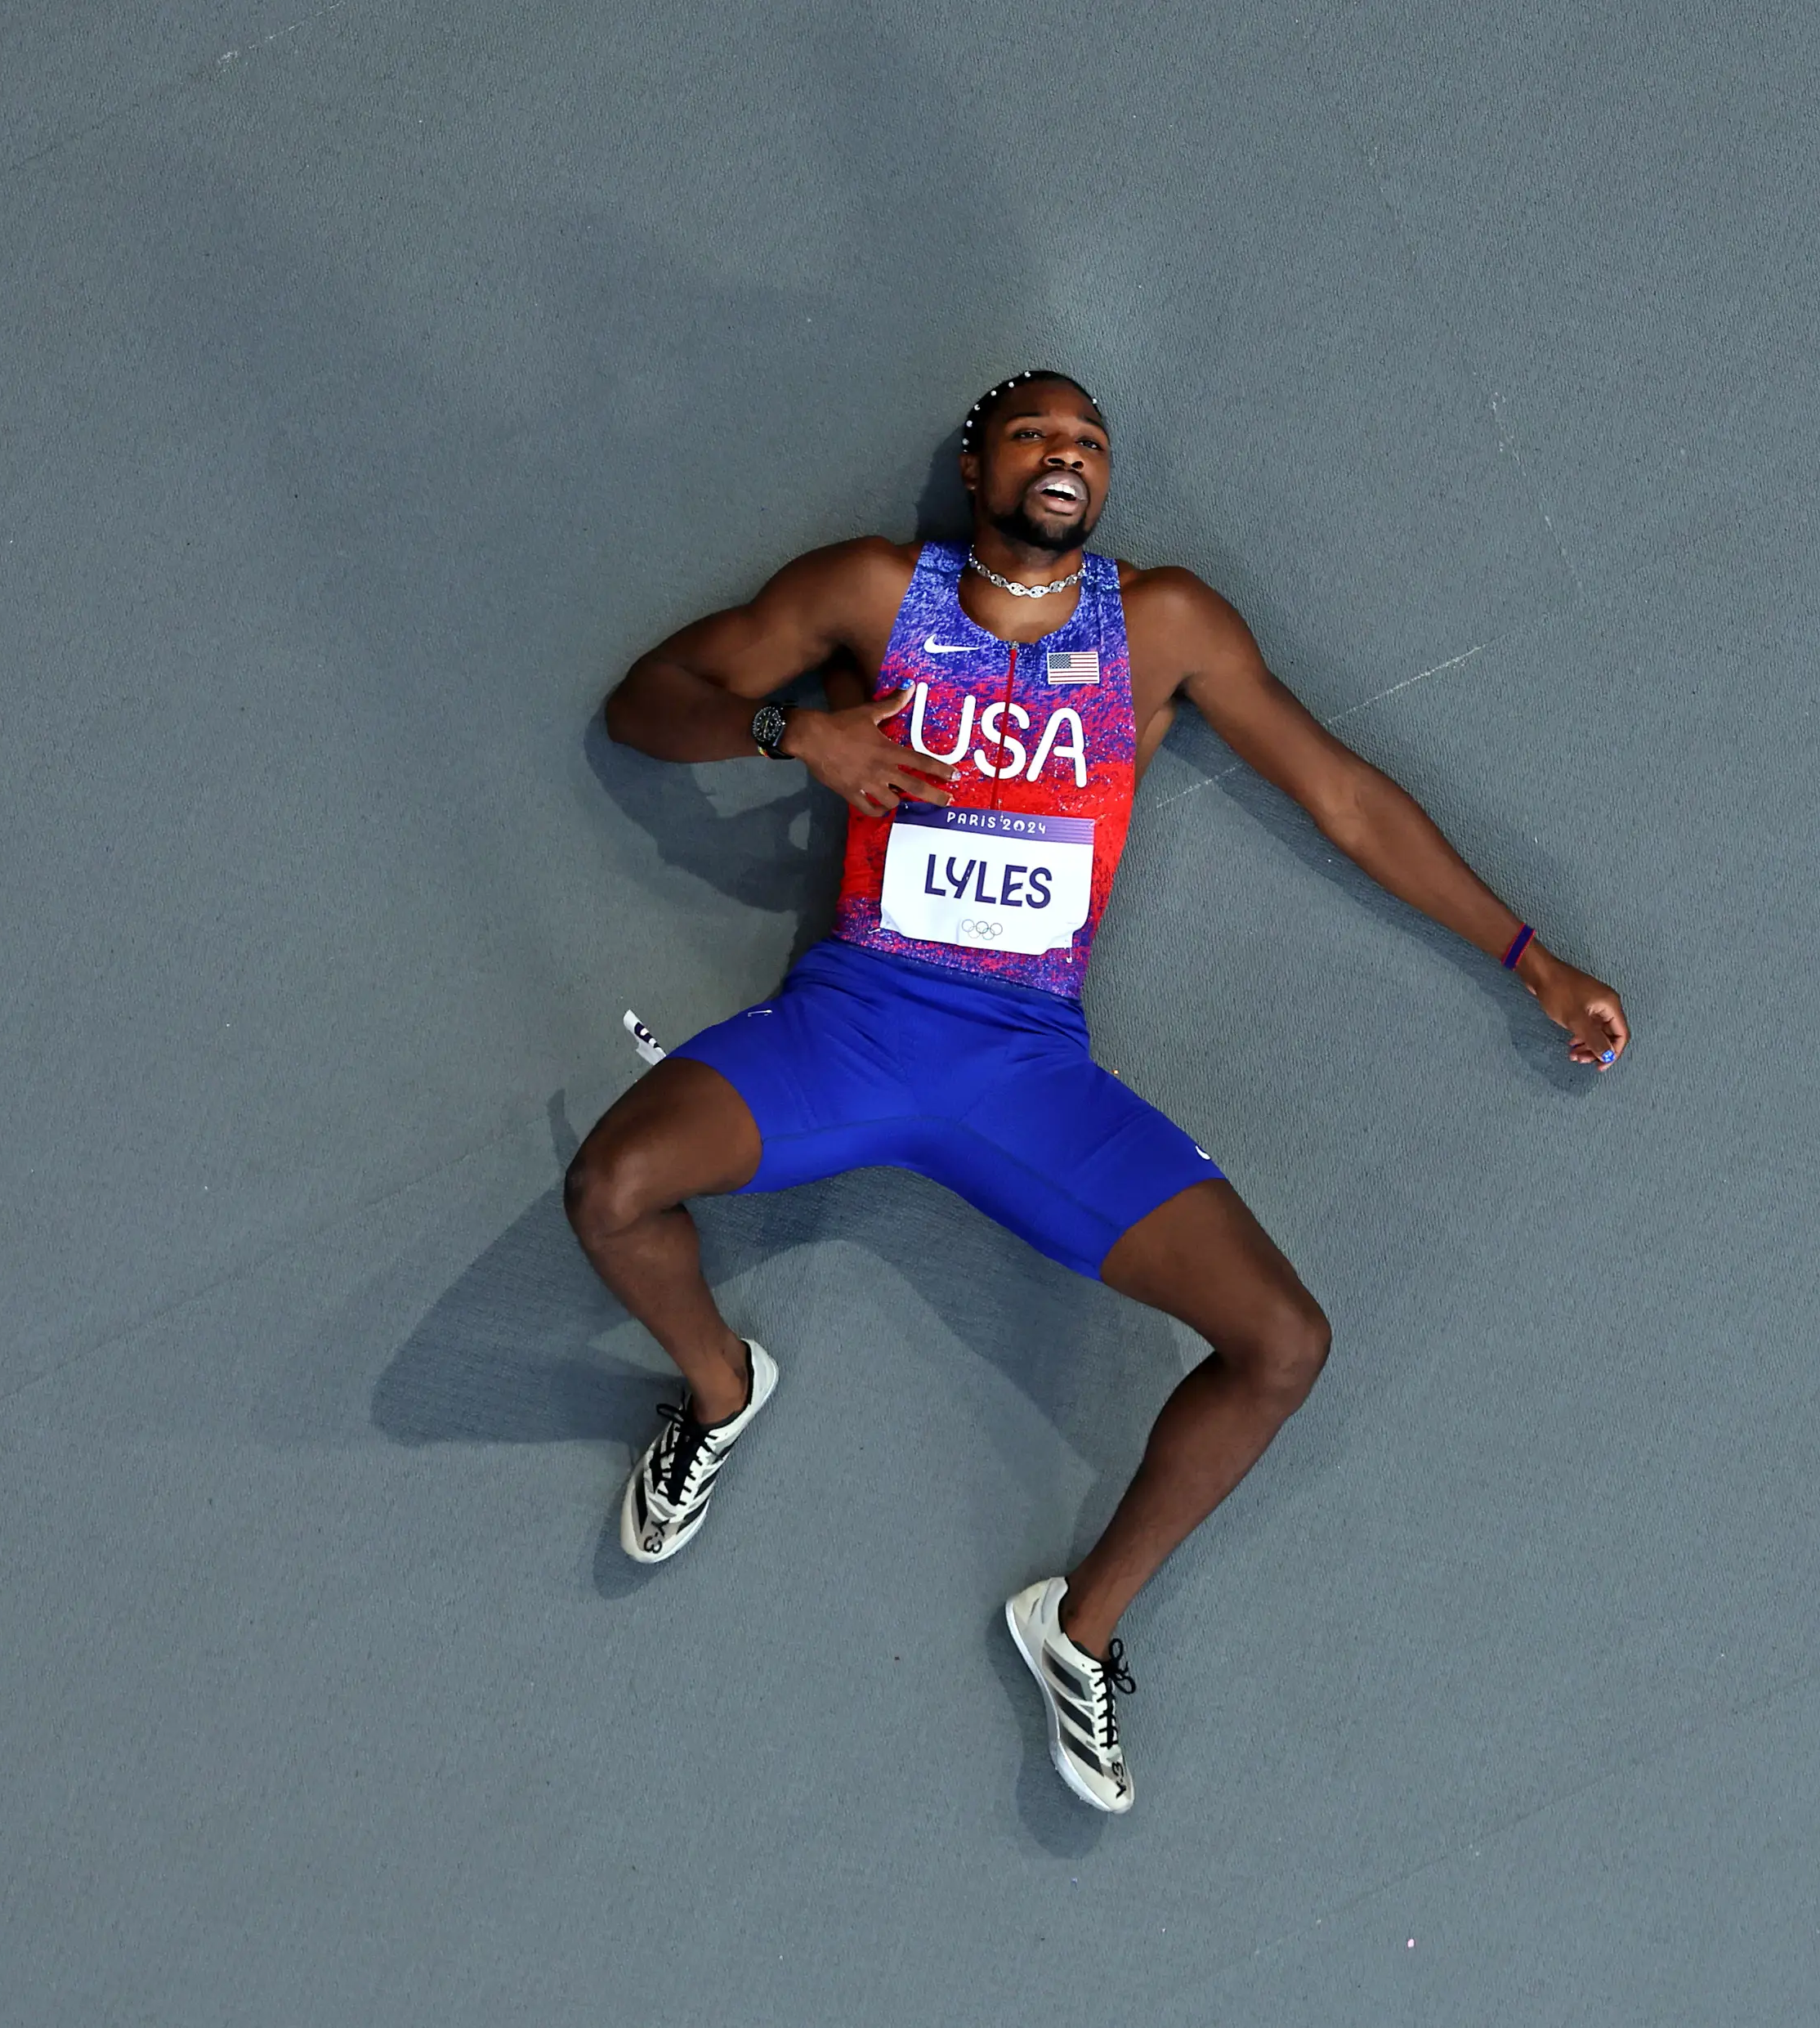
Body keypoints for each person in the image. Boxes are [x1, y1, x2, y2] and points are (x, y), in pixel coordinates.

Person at [566, 371, 1628, 1813]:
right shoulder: (872, 593)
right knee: (613, 1189)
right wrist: (790, 735)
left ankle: (1077, 1627)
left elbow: (1344, 798)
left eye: (1090, 442)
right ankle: (720, 1387)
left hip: (1025, 1067)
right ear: (976, 460)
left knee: (1284, 1343)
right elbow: (648, 704)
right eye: (1035, 434)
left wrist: (1529, 956)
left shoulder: (1166, 626)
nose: (1067, 456)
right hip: (856, 1026)